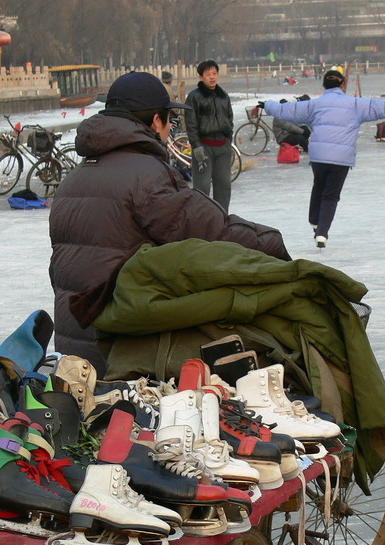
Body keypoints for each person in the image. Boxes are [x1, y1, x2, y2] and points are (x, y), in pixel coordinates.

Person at [49, 71, 291, 373]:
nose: (170, 129)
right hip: (123, 352)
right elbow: (213, 232)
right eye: (169, 120)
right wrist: (272, 243)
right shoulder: (147, 175)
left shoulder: (74, 179)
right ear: (154, 122)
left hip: (74, 354)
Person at [263, 69, 385, 248]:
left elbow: (286, 110)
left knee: (318, 186)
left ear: (323, 85)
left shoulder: (314, 105)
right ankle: (322, 233)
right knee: (331, 195)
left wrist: (267, 105)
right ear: (343, 85)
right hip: (341, 158)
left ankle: (314, 220)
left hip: (319, 156)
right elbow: (382, 107)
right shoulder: (355, 104)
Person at [185, 59, 234, 211]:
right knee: (202, 188)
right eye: (208, 74)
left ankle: (222, 219)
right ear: (201, 77)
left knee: (224, 186)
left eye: (214, 73)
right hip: (203, 147)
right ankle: (202, 220)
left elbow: (229, 119)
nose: (212, 77)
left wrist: (228, 141)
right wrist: (196, 146)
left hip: (222, 147)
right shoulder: (194, 97)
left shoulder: (223, 96)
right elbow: (191, 124)